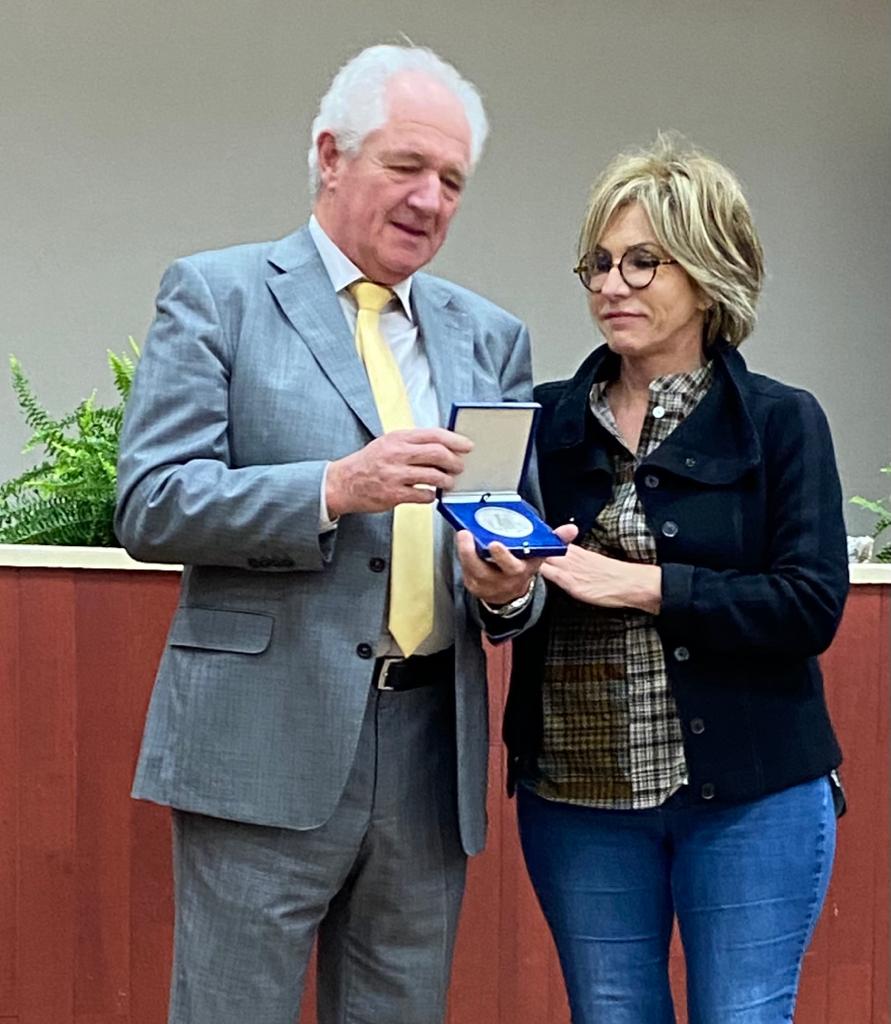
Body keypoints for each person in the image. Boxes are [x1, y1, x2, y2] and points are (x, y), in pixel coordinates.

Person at [116, 44, 563, 1024]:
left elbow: (506, 540)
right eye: (407, 166)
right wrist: (333, 486)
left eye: (452, 180)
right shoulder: (217, 295)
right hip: (260, 744)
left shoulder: (491, 334)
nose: (432, 199)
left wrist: (506, 588)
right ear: (329, 154)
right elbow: (150, 501)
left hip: (428, 756)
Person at [504, 135, 849, 1024]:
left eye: (641, 262)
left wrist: (644, 587)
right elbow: (516, 595)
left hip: (750, 796)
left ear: (707, 272)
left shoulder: (779, 421)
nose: (609, 285)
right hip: (577, 794)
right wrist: (496, 589)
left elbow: (808, 605)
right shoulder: (539, 420)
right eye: (598, 262)